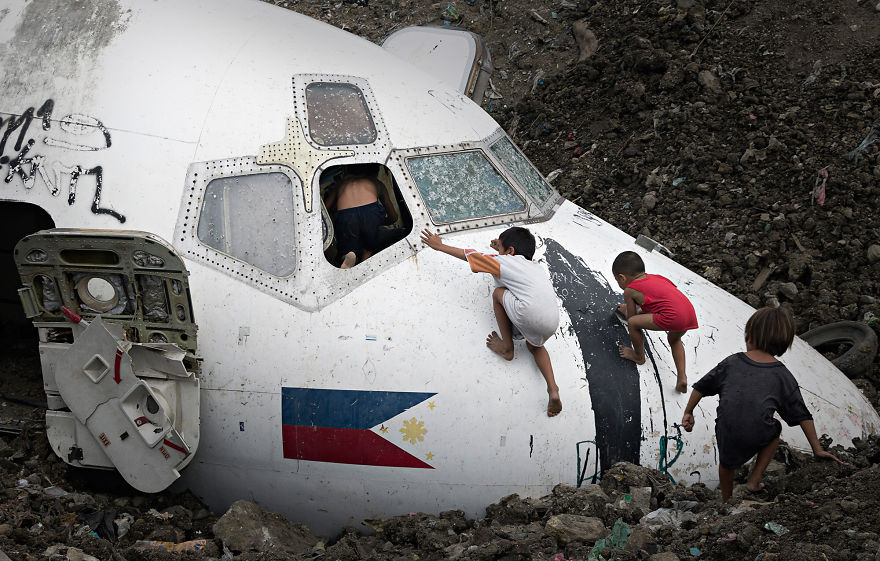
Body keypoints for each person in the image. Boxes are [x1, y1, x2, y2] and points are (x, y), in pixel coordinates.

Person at [681, 307, 842, 502]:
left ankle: (725, 501)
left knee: (726, 464)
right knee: (775, 430)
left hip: (727, 429)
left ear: (751, 336)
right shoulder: (782, 375)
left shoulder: (732, 362)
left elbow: (701, 387)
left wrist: (689, 412)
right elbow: (802, 415)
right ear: (783, 342)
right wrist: (817, 448)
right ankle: (753, 481)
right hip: (758, 431)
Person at [420, 227, 562, 417]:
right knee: (536, 347)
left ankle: (507, 348)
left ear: (510, 252)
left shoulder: (503, 261)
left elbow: (471, 255)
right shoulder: (536, 267)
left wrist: (440, 246)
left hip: (528, 312)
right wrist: (501, 248)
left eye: (501, 249)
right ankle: (553, 389)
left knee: (498, 294)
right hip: (552, 321)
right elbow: (515, 265)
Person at [612, 251, 697, 393]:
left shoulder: (629, 290)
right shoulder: (658, 278)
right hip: (688, 313)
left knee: (634, 323)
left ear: (622, 277)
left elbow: (631, 318)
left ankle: (639, 356)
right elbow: (660, 302)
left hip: (672, 316)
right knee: (674, 340)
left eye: (617, 280)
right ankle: (682, 377)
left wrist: (628, 310)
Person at [323, 164, 398, 269]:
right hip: (371, 214)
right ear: (374, 173)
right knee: (369, 246)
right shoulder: (377, 183)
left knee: (348, 246)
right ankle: (365, 260)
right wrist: (379, 223)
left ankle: (347, 256)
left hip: (346, 217)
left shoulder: (341, 184)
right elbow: (394, 217)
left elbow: (325, 208)